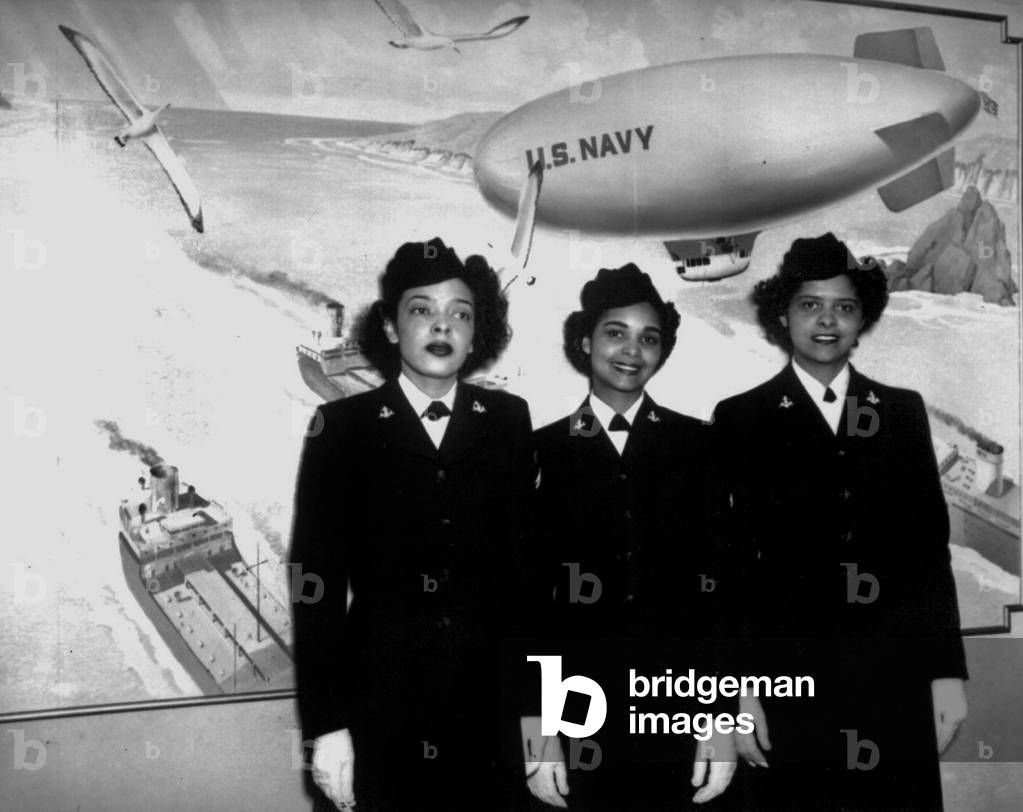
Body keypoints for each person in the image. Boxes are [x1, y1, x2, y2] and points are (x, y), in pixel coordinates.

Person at [711, 233, 968, 811]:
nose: (827, 321)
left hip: (893, 684)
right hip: (786, 690)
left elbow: (930, 556)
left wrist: (947, 676)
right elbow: (729, 571)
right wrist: (735, 695)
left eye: (844, 307)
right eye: (810, 305)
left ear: (862, 319)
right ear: (783, 315)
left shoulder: (901, 413)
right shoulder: (740, 419)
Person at [288, 237, 535, 812]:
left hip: (490, 716)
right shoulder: (340, 426)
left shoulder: (507, 420)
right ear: (393, 328)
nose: (442, 326)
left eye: (460, 314)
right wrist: (326, 728)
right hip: (380, 716)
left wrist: (540, 720)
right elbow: (315, 587)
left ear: (477, 335)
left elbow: (528, 583)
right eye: (422, 309)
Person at [525, 264, 736, 811]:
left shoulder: (699, 447)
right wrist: (540, 735)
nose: (631, 351)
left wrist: (720, 719)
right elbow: (528, 610)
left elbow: (719, 597)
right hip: (576, 712)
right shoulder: (539, 452)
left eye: (649, 339)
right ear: (585, 340)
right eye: (616, 332)